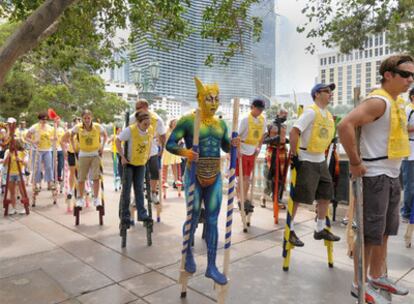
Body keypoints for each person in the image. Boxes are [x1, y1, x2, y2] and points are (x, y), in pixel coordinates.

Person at [338, 54, 413, 303]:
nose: (410, 80)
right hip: (375, 175)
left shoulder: (395, 102)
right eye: (405, 74)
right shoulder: (378, 102)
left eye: (413, 75)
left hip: (391, 174)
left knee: (384, 232)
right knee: (370, 233)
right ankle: (359, 284)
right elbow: (345, 125)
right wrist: (356, 163)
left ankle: (377, 275)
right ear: (388, 75)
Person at [166, 77, 238, 285]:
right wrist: (187, 152)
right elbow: (170, 144)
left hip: (214, 174)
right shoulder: (189, 120)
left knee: (213, 220)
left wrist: (233, 143)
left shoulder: (221, 123)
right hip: (194, 173)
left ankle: (212, 266)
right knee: (193, 215)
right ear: (200, 99)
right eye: (209, 99)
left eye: (216, 99)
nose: (214, 103)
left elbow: (225, 147)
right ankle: (187, 252)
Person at [288, 83, 341, 247]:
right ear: (317, 94)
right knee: (299, 197)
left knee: (326, 195)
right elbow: (294, 131)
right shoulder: (311, 112)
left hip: (321, 160)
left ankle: (319, 229)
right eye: (327, 91)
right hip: (307, 159)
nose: (330, 94)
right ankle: (289, 229)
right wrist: (294, 154)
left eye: (331, 92)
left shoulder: (328, 115)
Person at [116, 111, 153, 225]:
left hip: (140, 164)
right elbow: (117, 140)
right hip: (129, 164)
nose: (147, 126)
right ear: (139, 122)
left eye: (148, 124)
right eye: (145, 124)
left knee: (140, 190)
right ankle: (125, 215)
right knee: (126, 191)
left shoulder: (149, 130)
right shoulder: (130, 130)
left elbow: (150, 143)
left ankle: (142, 214)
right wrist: (122, 157)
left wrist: (147, 156)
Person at [129, 99, 166, 204]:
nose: (136, 111)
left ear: (145, 108)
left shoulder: (156, 119)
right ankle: (137, 196)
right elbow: (126, 133)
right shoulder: (132, 118)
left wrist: (162, 149)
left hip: (152, 150)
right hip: (137, 151)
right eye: (135, 108)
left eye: (138, 108)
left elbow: (163, 134)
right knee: (136, 174)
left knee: (154, 172)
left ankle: (153, 193)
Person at [69, 110, 107, 207]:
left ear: (91, 118)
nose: (87, 120)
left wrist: (102, 147)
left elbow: (105, 135)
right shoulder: (78, 127)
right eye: (85, 118)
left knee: (96, 177)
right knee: (81, 178)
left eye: (88, 118)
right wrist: (74, 147)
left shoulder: (97, 126)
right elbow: (71, 135)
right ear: (82, 118)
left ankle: (95, 198)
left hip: (95, 154)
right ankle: (80, 199)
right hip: (83, 154)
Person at [237, 98, 267, 213]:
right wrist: (238, 150)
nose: (260, 111)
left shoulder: (262, 119)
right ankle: (242, 200)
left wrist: (259, 147)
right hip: (243, 150)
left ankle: (245, 199)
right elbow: (237, 135)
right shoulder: (244, 119)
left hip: (253, 150)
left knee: (247, 178)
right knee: (242, 178)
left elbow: (263, 135)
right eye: (258, 109)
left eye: (261, 109)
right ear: (252, 107)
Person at [261, 108, 289, 209]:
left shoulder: (284, 126)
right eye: (283, 114)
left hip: (282, 153)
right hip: (271, 153)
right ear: (278, 114)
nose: (285, 116)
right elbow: (263, 140)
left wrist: (286, 140)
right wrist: (273, 139)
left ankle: (277, 199)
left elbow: (283, 138)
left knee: (281, 177)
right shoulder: (270, 125)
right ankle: (263, 197)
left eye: (286, 115)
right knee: (269, 177)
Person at [25, 112, 55, 191]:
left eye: (46, 119)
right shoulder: (34, 127)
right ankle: (37, 183)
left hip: (47, 149)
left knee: (49, 166)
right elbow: (26, 137)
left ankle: (50, 183)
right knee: (37, 168)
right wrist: (34, 141)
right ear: (39, 119)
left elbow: (52, 138)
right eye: (43, 119)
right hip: (37, 150)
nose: (44, 121)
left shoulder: (50, 127)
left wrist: (53, 139)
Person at [2, 139, 28, 215]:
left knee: (22, 191)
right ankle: (13, 208)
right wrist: (8, 157)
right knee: (12, 192)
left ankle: (24, 207)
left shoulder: (24, 152)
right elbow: (4, 164)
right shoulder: (8, 152)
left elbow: (26, 163)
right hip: (10, 174)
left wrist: (20, 160)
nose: (12, 145)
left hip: (20, 173)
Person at [400, 87, 414, 222]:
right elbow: (402, 129)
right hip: (409, 152)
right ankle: (406, 212)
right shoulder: (408, 109)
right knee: (409, 184)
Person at [162, 119, 183, 190]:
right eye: (174, 123)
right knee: (166, 165)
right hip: (167, 150)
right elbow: (164, 138)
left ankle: (176, 180)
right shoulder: (167, 130)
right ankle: (164, 181)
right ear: (171, 123)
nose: (175, 124)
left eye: (176, 123)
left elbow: (180, 140)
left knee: (174, 165)